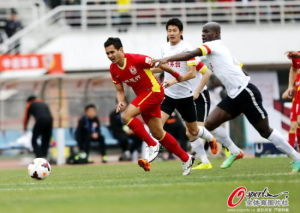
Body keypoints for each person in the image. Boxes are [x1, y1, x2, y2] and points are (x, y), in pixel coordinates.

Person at [155, 22, 300, 172]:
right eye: (202, 32)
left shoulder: (214, 45)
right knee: (208, 125)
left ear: (217, 34)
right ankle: (235, 151)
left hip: (245, 92)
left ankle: (297, 158)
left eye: (207, 32)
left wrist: (168, 59)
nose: (203, 34)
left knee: (265, 131)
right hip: (233, 96)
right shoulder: (219, 50)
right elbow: (240, 68)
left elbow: (190, 54)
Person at [104, 37, 194, 175]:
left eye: (112, 52)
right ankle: (186, 158)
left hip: (154, 91)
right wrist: (121, 101)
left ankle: (152, 145)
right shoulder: (113, 69)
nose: (110, 56)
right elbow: (119, 90)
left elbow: (160, 64)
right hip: (144, 96)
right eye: (107, 54)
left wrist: (177, 76)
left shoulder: (137, 59)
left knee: (126, 116)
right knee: (158, 132)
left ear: (121, 50)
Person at [155, 18, 217, 170]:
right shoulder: (164, 48)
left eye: (174, 30)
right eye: (169, 30)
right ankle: (183, 157)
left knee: (193, 132)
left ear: (181, 32)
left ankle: (212, 139)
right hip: (169, 96)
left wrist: (175, 81)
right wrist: (144, 71)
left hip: (186, 96)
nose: (171, 33)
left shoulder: (188, 49)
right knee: (156, 126)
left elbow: (192, 73)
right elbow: (163, 68)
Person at [282, 51, 300, 151]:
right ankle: (293, 154)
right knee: (294, 125)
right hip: (297, 97)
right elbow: (293, 69)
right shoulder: (295, 57)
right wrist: (290, 87)